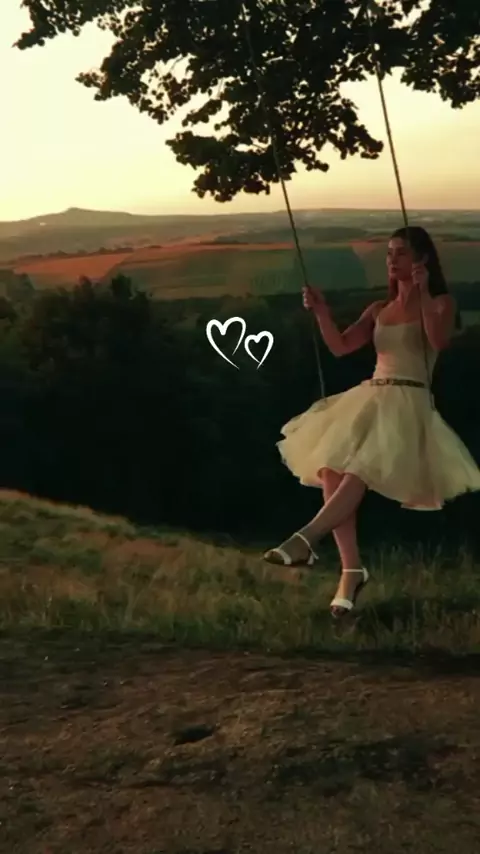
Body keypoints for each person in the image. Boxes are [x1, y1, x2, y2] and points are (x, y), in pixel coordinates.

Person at [263, 226, 480, 618]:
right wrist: (322, 313)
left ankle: (307, 538)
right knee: (330, 469)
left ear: (422, 259)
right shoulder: (378, 310)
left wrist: (423, 293)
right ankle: (351, 571)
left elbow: (439, 341)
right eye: (389, 252)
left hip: (408, 400)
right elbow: (341, 346)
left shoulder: (441, 303)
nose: (392, 259)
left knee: (360, 469)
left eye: (401, 252)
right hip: (372, 395)